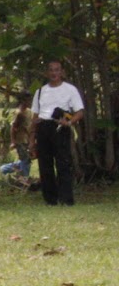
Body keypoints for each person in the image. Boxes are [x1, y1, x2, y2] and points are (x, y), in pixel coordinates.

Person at [32, 59, 83, 205]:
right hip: (43, 127)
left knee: (63, 163)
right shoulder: (40, 91)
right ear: (47, 72)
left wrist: (69, 122)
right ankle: (50, 199)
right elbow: (35, 115)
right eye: (51, 70)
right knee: (45, 164)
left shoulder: (70, 89)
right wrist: (32, 137)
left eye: (57, 70)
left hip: (60, 127)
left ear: (61, 72)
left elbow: (79, 112)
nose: (54, 73)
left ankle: (66, 199)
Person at [1, 93, 35, 180]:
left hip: (27, 139)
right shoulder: (19, 113)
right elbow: (13, 127)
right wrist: (13, 141)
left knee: (26, 160)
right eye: (28, 100)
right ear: (23, 101)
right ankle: (24, 179)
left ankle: (4, 169)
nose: (30, 102)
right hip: (21, 141)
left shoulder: (29, 111)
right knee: (26, 160)